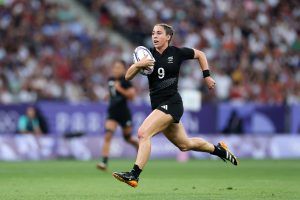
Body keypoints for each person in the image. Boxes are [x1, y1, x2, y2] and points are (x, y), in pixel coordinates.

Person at [112, 24, 238, 188]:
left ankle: (134, 175)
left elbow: (200, 54)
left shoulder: (177, 53)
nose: (154, 36)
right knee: (185, 145)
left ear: (168, 37)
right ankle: (219, 149)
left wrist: (206, 76)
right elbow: (128, 77)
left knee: (143, 133)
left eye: (158, 33)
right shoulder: (148, 55)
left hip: (172, 103)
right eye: (153, 33)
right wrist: (138, 65)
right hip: (158, 105)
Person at [97, 60, 139, 171]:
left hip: (124, 113)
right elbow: (112, 92)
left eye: (119, 67)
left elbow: (132, 96)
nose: (116, 70)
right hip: (112, 112)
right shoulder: (110, 80)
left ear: (124, 69)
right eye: (115, 67)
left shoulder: (126, 81)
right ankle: (103, 162)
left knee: (128, 138)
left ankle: (138, 146)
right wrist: (108, 95)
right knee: (108, 135)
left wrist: (119, 88)